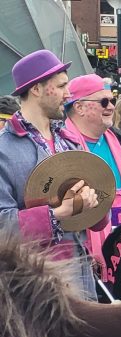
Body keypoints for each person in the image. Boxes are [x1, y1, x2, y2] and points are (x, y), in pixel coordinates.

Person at [0, 50, 101, 301]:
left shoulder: (69, 141)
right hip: (33, 293)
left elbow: (94, 219)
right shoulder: (4, 150)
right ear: (36, 89)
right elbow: (2, 225)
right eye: (61, 86)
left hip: (80, 279)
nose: (69, 94)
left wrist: (94, 204)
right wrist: (57, 213)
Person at [63, 74, 121, 285]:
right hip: (87, 263)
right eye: (103, 101)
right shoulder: (61, 146)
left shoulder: (118, 141)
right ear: (79, 107)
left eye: (113, 101)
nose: (111, 107)